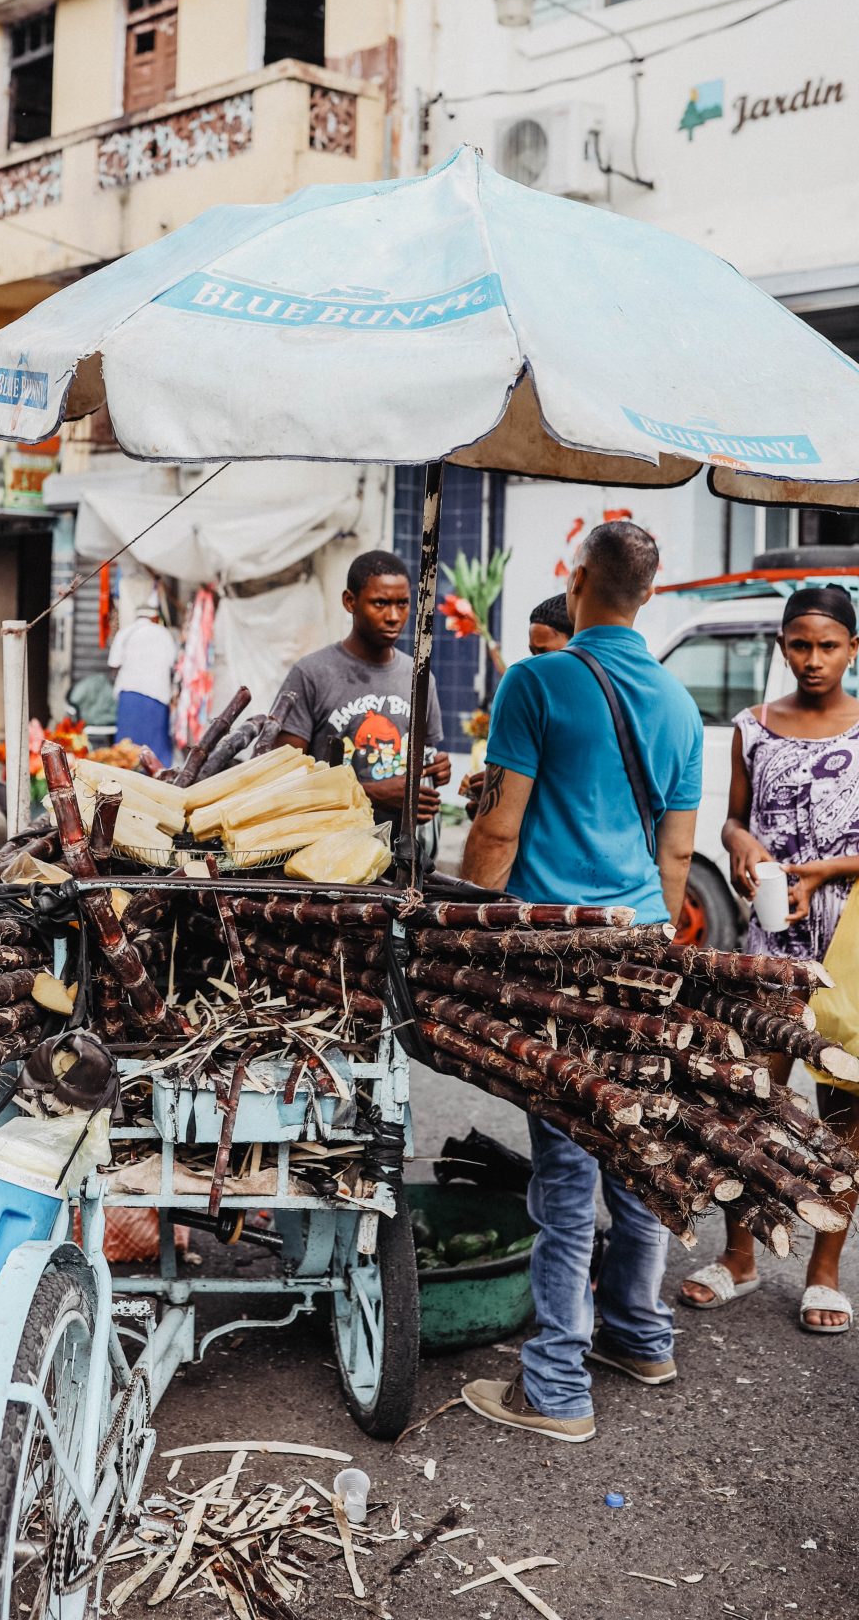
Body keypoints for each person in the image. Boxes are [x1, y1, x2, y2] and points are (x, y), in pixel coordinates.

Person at [458, 521, 702, 1444]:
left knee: (565, 1172)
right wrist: (648, 950)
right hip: (641, 946)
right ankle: (641, 1334)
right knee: (636, 1156)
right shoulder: (679, 704)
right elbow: (676, 854)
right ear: (650, 589)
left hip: (554, 953)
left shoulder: (537, 680)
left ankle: (556, 1385)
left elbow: (497, 830)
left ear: (578, 580)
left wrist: (462, 929)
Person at [679, 582, 859, 1333]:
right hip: (769, 943)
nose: (812, 660)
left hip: (849, 946)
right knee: (747, 1099)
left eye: (828, 646)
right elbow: (730, 821)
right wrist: (744, 846)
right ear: (780, 646)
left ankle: (825, 1272)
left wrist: (826, 871)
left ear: (854, 649)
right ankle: (740, 1259)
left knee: (845, 1109)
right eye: (799, 644)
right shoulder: (751, 728)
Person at [275, 549, 450, 847]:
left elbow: (423, 755)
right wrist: (372, 791)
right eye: (380, 603)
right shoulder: (312, 674)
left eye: (402, 604)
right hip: (328, 852)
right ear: (350, 602)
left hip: (401, 856)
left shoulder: (419, 676)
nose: (394, 616)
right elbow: (282, 780)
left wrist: (435, 770)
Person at [462, 595, 573, 814]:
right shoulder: (532, 697)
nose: (535, 663)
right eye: (533, 652)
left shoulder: (590, 706)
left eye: (544, 653)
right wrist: (500, 788)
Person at [107, 602, 178, 768]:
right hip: (157, 695)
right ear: (155, 617)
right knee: (155, 749)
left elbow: (113, 663)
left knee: (126, 750)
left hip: (129, 693)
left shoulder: (125, 633)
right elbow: (173, 664)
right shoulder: (164, 634)